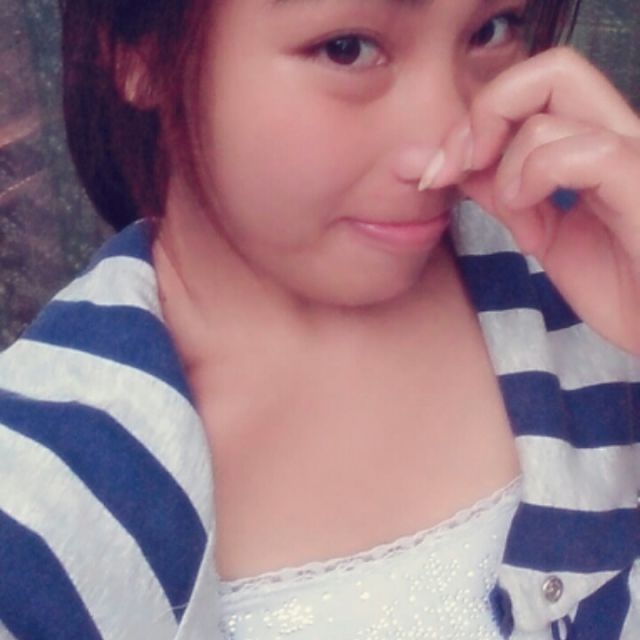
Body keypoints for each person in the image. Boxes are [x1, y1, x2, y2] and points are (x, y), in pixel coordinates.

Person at [0, 0, 638, 638]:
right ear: (141, 52)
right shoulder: (38, 505)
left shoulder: (600, 259)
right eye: (346, 49)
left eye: (491, 31)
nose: (449, 144)